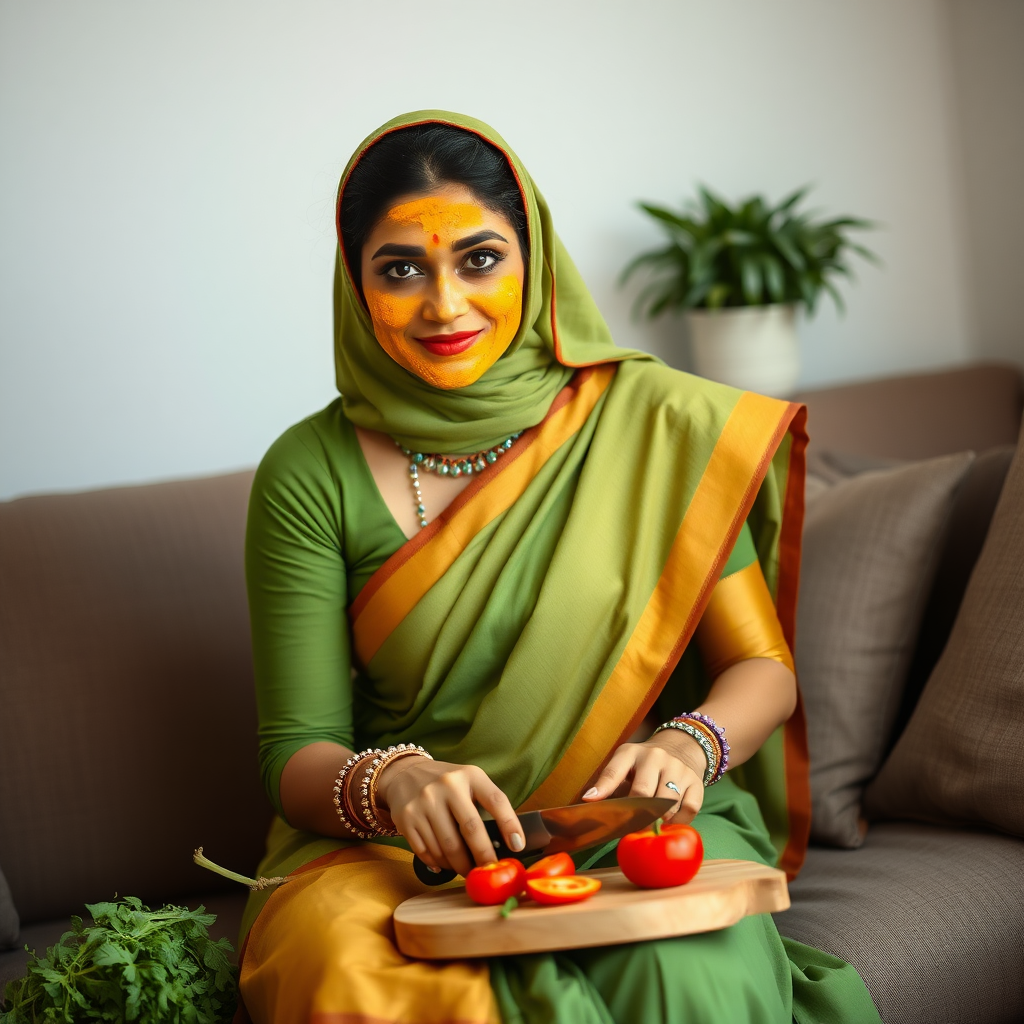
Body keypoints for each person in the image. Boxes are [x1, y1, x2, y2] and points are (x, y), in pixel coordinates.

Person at [238, 110, 881, 1024]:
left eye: (480, 258)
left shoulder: (655, 428)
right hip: (403, 849)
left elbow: (763, 672)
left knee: (681, 980)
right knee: (354, 973)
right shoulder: (308, 471)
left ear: (534, 259)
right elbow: (292, 752)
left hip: (621, 817)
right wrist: (391, 781)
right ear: (354, 282)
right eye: (401, 269)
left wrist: (686, 744)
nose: (445, 305)